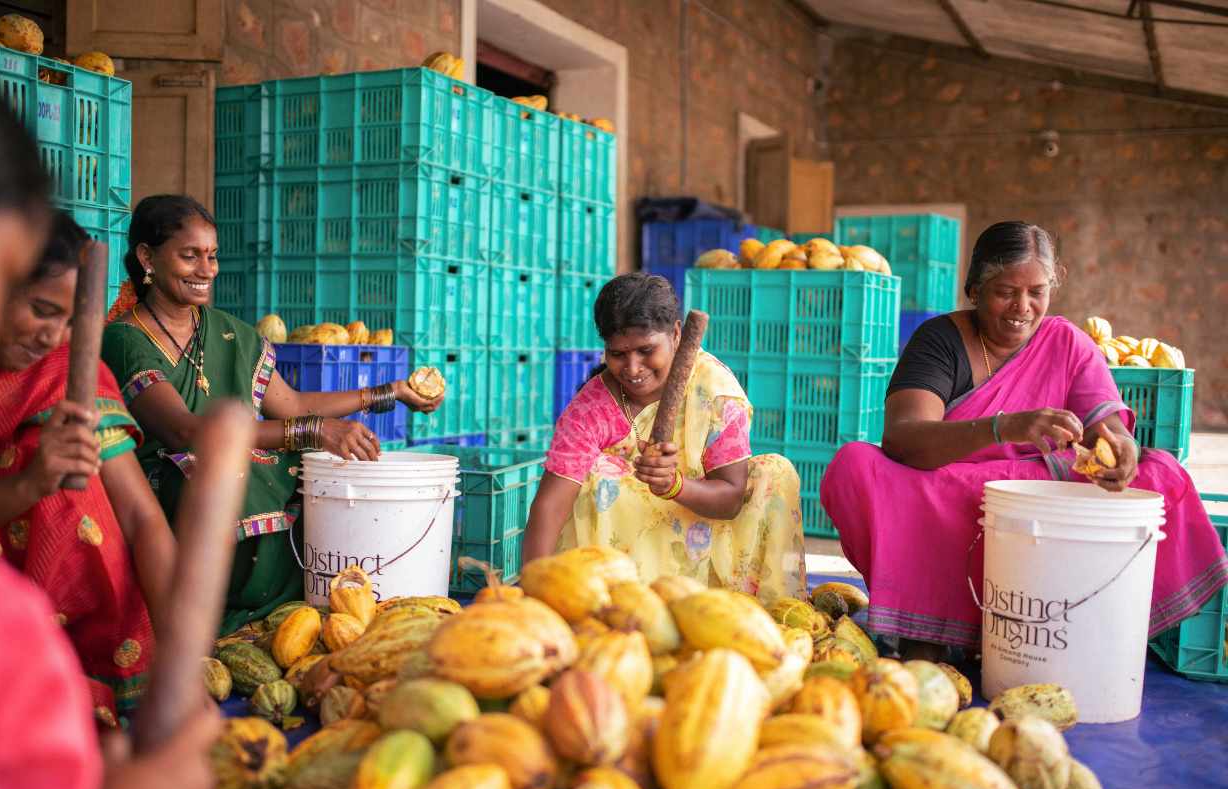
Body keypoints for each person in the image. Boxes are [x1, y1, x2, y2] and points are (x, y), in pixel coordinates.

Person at [0, 53, 218, 789]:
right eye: (6, 282)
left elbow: (141, 520)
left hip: (99, 651)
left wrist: (184, 668)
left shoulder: (83, 375)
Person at [820, 221, 1228, 659]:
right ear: (974, 289)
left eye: (1037, 291)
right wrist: (1004, 428)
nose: (1023, 307)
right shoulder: (940, 341)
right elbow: (904, 440)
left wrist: (1121, 448)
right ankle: (931, 625)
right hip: (948, 488)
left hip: (1038, 492)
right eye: (1005, 291)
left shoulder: (1067, 343)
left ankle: (1083, 624)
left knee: (1160, 471)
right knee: (855, 465)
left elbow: (1106, 426)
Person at [100, 194, 444, 633]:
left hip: (235, 457)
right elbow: (185, 430)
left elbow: (294, 405)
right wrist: (314, 430)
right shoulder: (126, 339)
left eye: (212, 255)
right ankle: (216, 610)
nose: (207, 270)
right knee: (228, 476)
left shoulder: (228, 332)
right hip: (165, 480)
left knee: (317, 473)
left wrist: (389, 392)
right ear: (148, 256)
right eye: (190, 256)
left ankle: (295, 606)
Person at [0, 211, 173, 722]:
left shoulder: (71, 379)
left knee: (81, 472)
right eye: (41, 309)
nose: (54, 337)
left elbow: (141, 519)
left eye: (71, 322)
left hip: (88, 639)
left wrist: (186, 666)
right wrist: (30, 483)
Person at [522, 272, 805, 601]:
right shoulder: (590, 407)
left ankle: (755, 607)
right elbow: (550, 506)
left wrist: (675, 486)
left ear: (675, 334)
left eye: (645, 350)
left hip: (710, 534)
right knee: (596, 476)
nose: (632, 367)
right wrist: (533, 594)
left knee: (775, 471)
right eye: (617, 354)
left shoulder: (715, 392)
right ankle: (619, 604)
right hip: (629, 570)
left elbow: (730, 499)